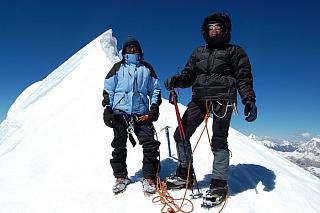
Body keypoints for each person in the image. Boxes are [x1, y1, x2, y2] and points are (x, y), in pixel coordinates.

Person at [164, 12, 257, 206]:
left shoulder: (235, 51)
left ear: (225, 30)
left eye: (218, 27)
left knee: (218, 141)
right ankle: (185, 175)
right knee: (180, 134)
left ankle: (219, 184)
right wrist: (178, 81)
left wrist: (248, 99)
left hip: (223, 100)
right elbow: (188, 75)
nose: (213, 30)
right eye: (210, 27)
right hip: (199, 99)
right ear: (205, 31)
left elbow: (243, 77)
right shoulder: (198, 52)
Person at [102, 37, 162, 194]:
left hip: (141, 114)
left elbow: (155, 89)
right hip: (120, 113)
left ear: (140, 51)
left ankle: (148, 177)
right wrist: (107, 109)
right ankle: (121, 177)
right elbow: (109, 89)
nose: (132, 50)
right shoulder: (117, 67)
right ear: (124, 51)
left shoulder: (146, 68)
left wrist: (154, 107)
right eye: (129, 48)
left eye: (135, 48)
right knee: (119, 145)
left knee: (150, 144)